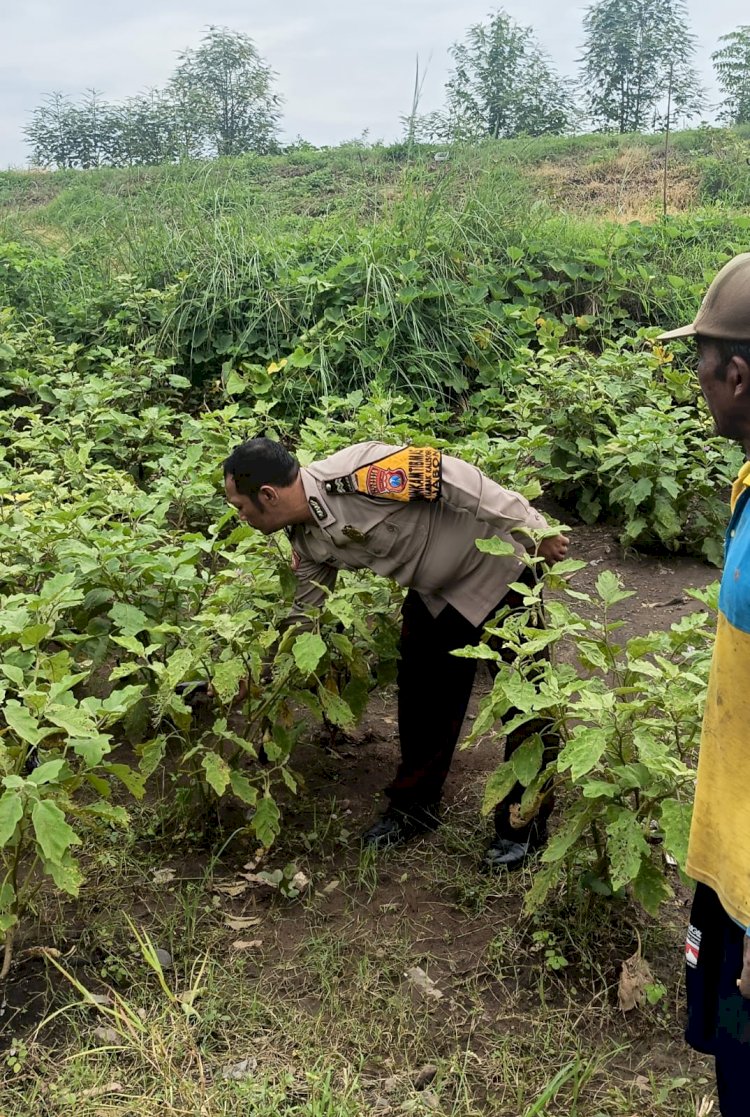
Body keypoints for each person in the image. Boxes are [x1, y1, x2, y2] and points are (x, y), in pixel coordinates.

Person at [224, 437, 568, 869]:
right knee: (421, 700)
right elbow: (303, 616)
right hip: (435, 594)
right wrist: (258, 677)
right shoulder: (307, 539)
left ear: (268, 496)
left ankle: (524, 829)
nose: (239, 515)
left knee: (527, 707)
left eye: (240, 505)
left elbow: (456, 477)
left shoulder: (359, 475)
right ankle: (413, 809)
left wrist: (534, 528)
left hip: (503, 572)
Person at [658, 252, 750, 1116]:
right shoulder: (749, 478)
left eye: (700, 360)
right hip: (734, 863)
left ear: (738, 373)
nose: (695, 379)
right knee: (729, 1042)